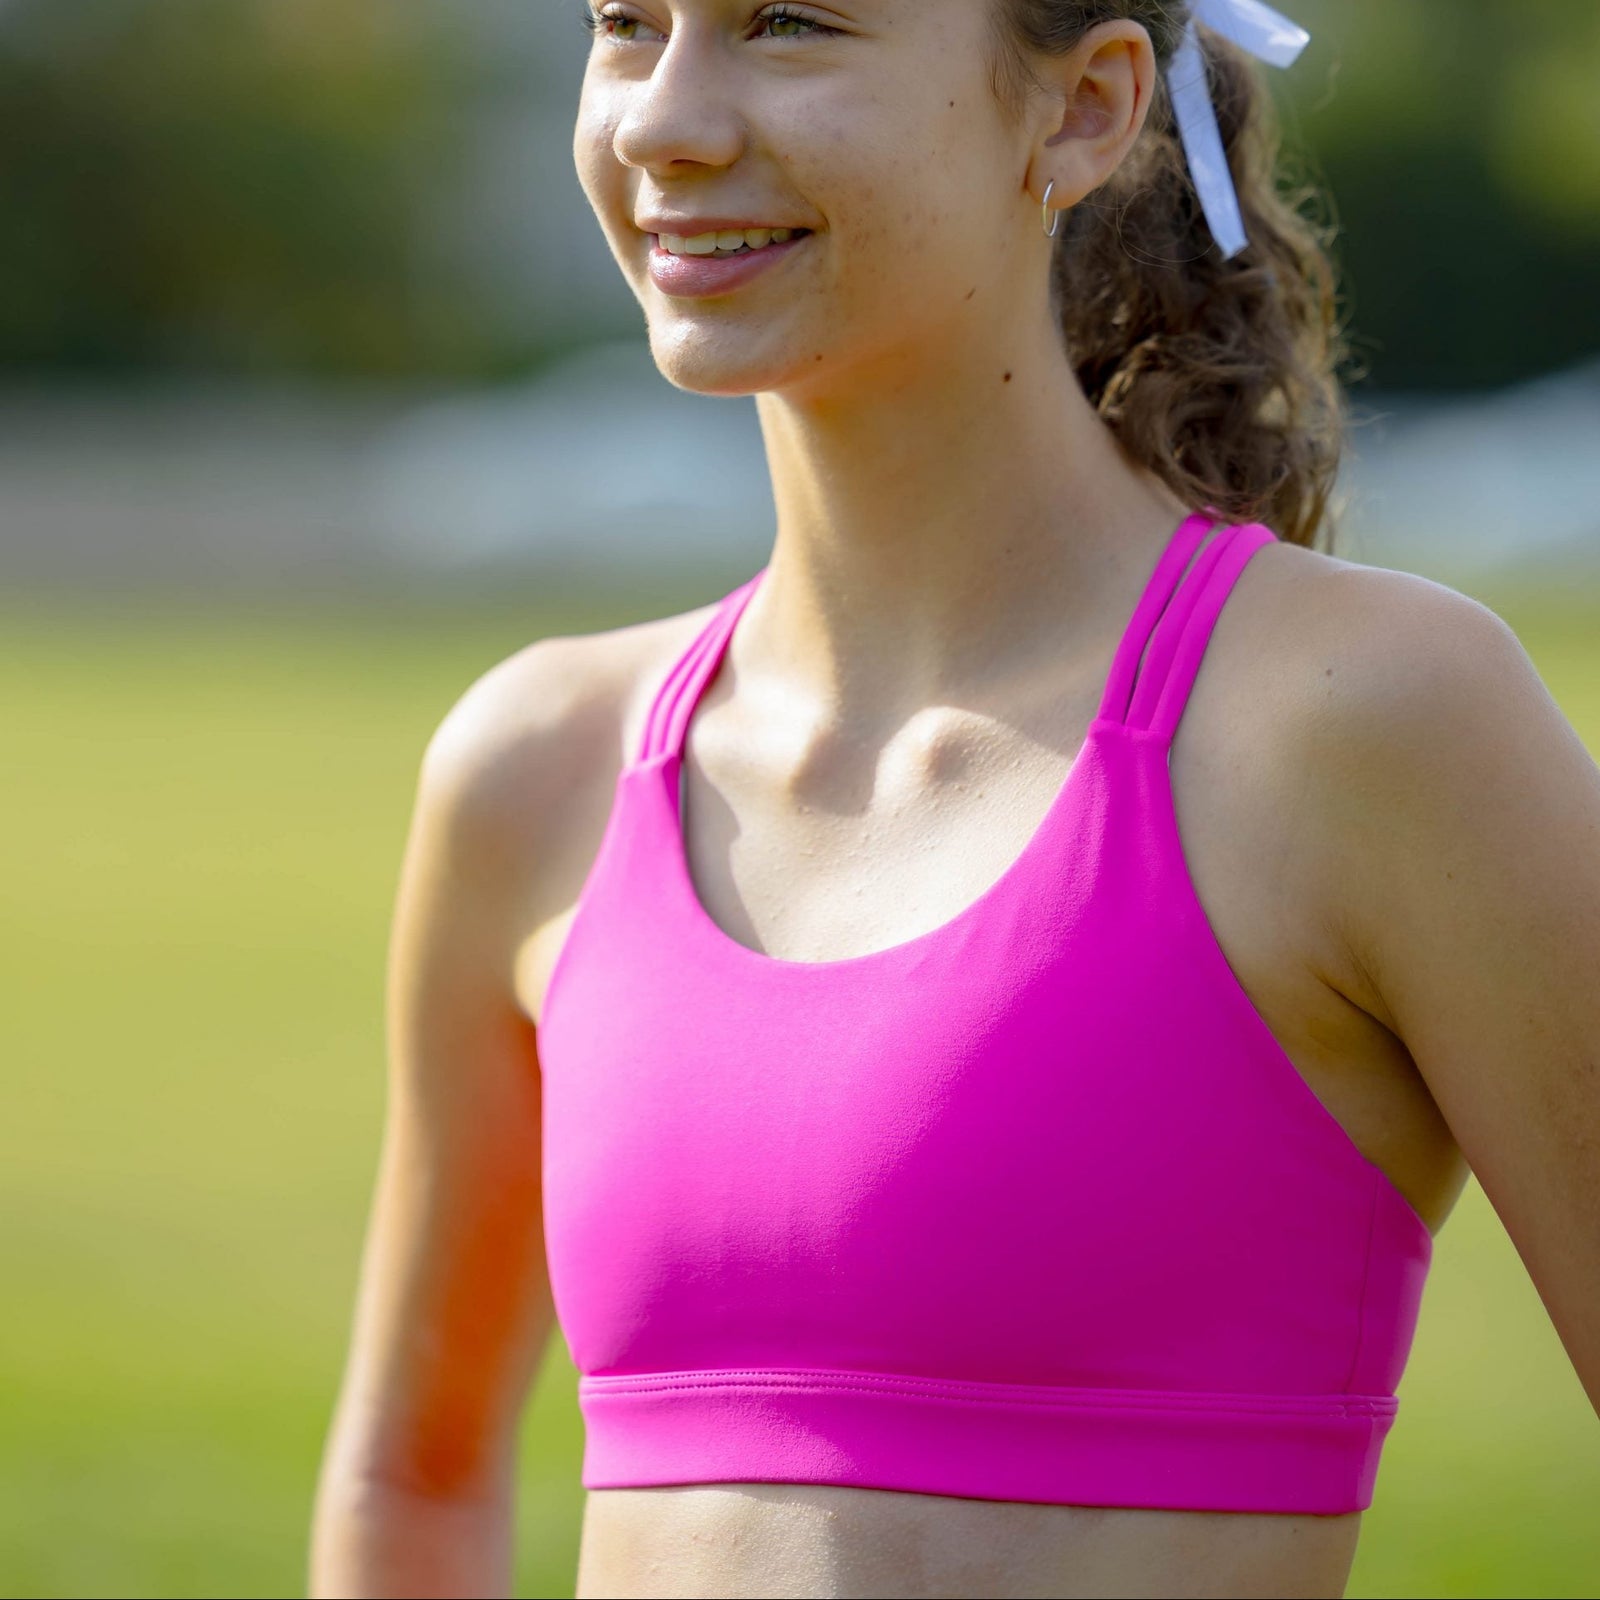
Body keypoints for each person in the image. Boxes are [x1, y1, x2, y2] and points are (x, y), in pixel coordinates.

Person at [309, 4, 1600, 1597]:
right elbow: (409, 1482)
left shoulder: (1372, 726)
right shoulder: (537, 764)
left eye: (788, 24)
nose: (664, 120)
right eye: (629, 24)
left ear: (1081, 111)